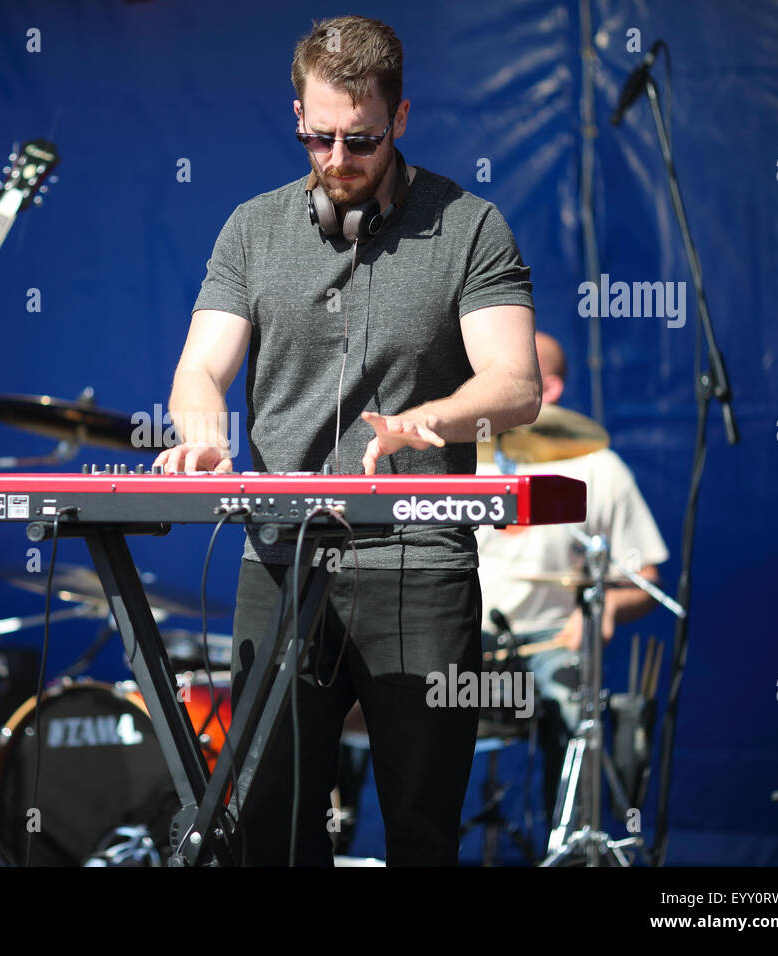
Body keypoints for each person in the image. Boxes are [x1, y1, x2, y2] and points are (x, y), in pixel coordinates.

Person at [154, 16, 541, 865]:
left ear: (400, 120)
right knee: (269, 829)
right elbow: (199, 370)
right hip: (281, 560)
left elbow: (515, 386)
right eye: (317, 136)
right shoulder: (252, 229)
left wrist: (429, 421)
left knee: (421, 829)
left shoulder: (472, 226)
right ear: (296, 113)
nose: (336, 158)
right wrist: (202, 437)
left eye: (360, 140)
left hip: (420, 560)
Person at [475, 331, 668, 824]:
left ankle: (572, 842)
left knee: (572, 693)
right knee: (356, 675)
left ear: (550, 389)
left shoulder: (600, 469)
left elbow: (645, 577)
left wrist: (596, 612)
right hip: (459, 635)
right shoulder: (454, 459)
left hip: (550, 642)